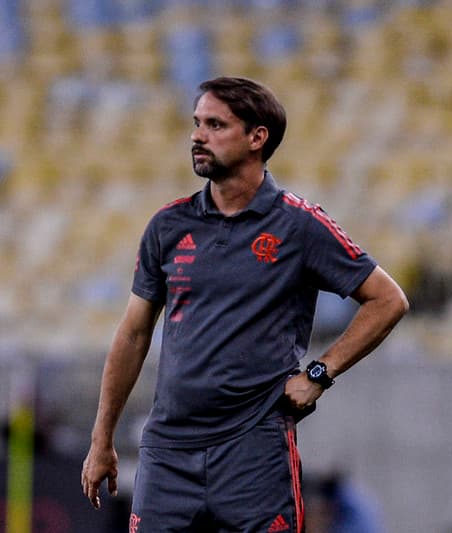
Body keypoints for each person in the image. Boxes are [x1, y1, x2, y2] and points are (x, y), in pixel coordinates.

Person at [81, 76, 409, 532]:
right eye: (196, 123)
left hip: (253, 450)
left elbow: (387, 299)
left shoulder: (299, 225)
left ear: (257, 138)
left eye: (215, 124)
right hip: (168, 452)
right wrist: (102, 439)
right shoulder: (168, 226)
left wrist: (319, 373)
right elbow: (134, 333)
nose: (198, 135)